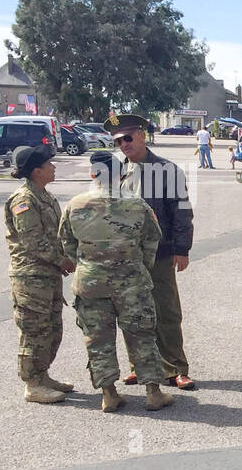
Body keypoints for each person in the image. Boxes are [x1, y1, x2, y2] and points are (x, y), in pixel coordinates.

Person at [59, 152, 172, 413]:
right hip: (131, 282)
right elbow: (152, 239)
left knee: (98, 339)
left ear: (92, 174)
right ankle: (153, 393)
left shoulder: (75, 205)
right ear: (121, 174)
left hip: (91, 283)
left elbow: (67, 244)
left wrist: (89, 264)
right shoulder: (138, 205)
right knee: (142, 335)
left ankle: (109, 394)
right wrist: (139, 265)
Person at [104, 113, 198, 389]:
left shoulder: (166, 170)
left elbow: (182, 212)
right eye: (118, 141)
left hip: (159, 252)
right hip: (127, 257)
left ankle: (176, 367)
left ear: (142, 135)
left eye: (128, 138)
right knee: (132, 313)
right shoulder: (116, 171)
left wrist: (182, 249)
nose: (123, 145)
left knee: (166, 311)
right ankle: (140, 366)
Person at [4, 145, 76, 403]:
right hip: (31, 278)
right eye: (49, 164)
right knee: (34, 330)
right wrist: (63, 261)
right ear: (36, 171)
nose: (54, 167)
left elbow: (56, 235)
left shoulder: (44, 195)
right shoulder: (24, 200)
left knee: (52, 328)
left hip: (49, 275)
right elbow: (33, 241)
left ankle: (43, 375)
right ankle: (32, 385)